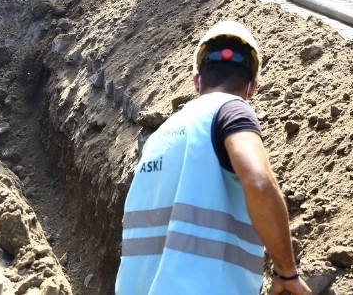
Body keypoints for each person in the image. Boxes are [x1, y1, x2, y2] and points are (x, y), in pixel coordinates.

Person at [115, 21, 311, 295]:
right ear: (252, 87)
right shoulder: (232, 112)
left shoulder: (160, 136)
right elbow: (258, 182)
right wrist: (286, 272)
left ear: (197, 81)